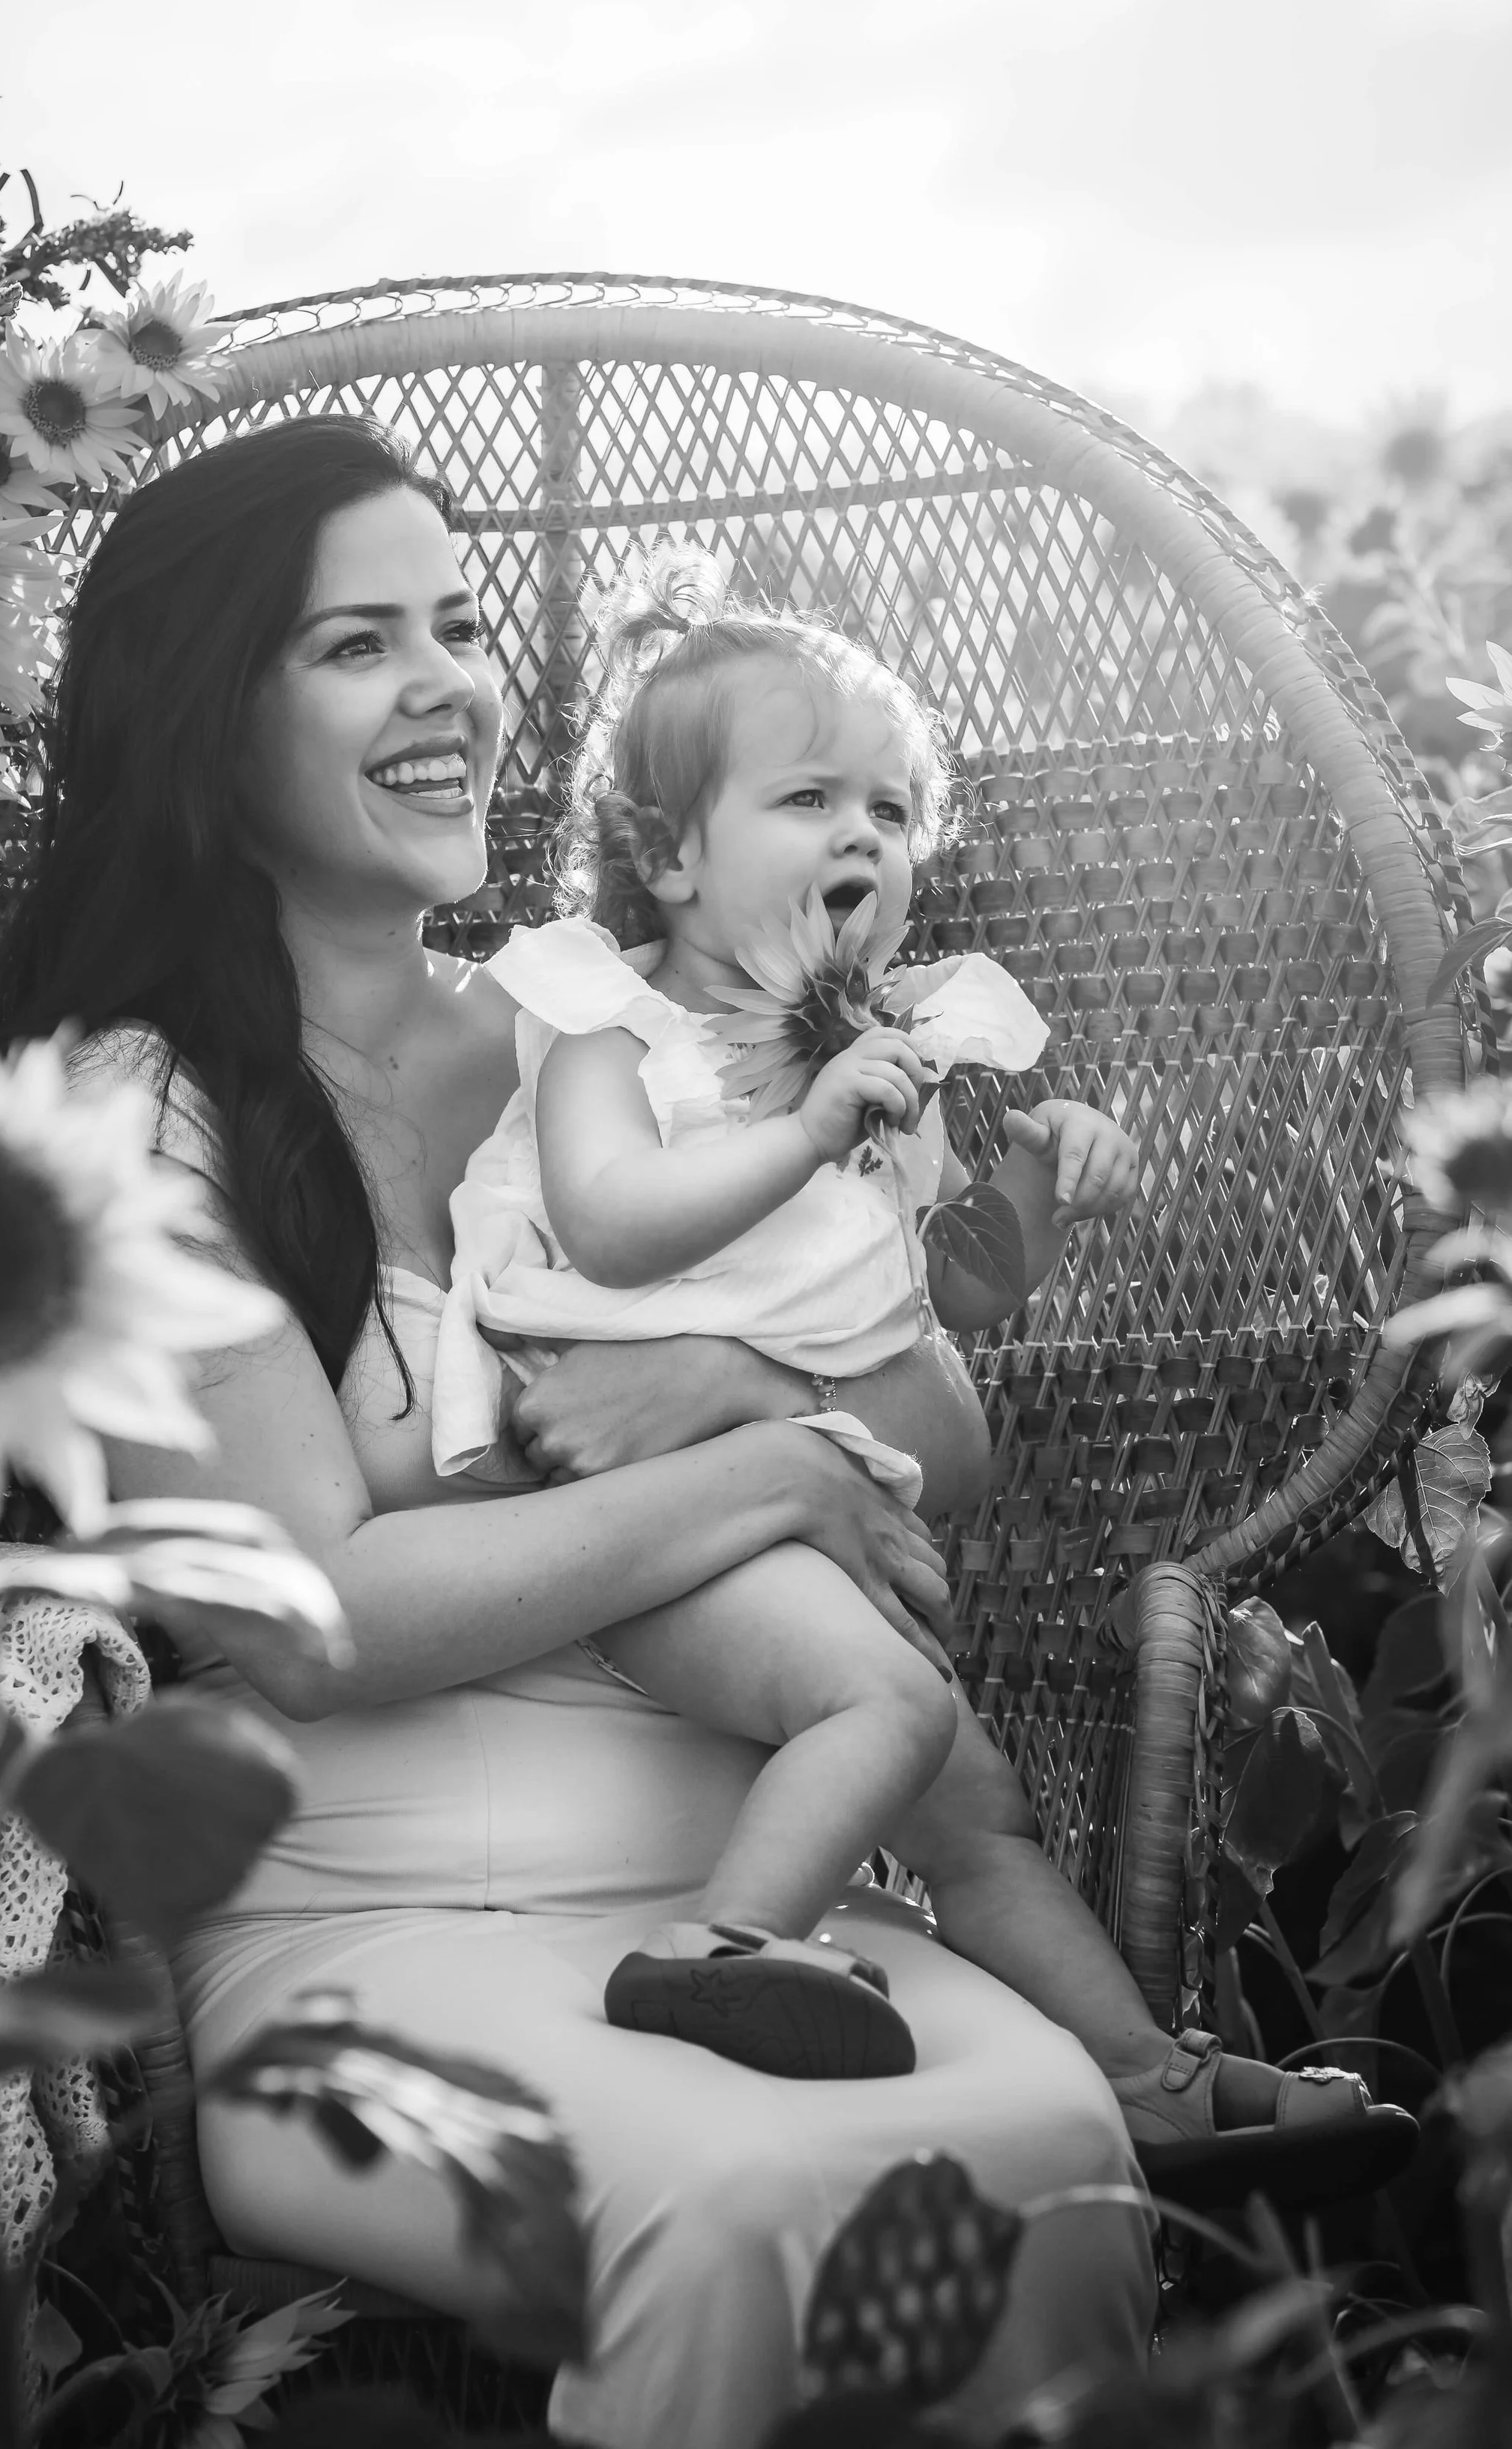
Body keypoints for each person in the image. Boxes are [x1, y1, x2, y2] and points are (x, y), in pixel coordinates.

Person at [0, 413, 1376, 2448]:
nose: (446, 685)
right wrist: (768, 1467)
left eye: (456, 627)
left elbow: (939, 1441)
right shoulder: (139, 1107)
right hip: (376, 1921)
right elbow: (314, 1619)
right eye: (358, 643)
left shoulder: (611, 1026)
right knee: (739, 2202)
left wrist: (744, 1383)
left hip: (771, 1892)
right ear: (205, 721)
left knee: (1057, 2167)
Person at [427, 549, 1136, 2080]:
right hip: (637, 1503)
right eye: (810, 799)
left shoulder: (887, 1051)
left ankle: (1158, 2082)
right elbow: (612, 1226)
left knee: (983, 1817)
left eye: (892, 809)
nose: (862, 835)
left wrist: (1038, 1182)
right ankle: (724, 1948)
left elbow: (951, 1296)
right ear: (669, 857)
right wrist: (810, 1131)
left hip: (819, 1497)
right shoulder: (614, 1025)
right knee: (886, 1710)